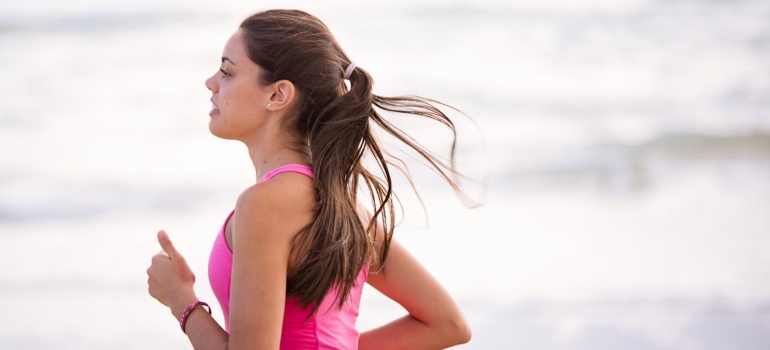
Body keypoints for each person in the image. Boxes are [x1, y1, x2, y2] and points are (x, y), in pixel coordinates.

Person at [147, 9, 473, 350]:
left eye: (227, 72)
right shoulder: (344, 207)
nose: (211, 82)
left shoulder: (264, 204)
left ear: (277, 95)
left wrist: (182, 300)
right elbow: (447, 324)